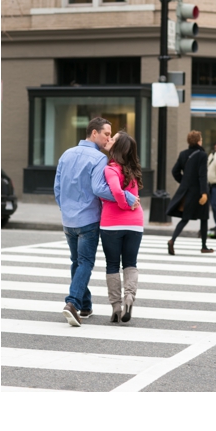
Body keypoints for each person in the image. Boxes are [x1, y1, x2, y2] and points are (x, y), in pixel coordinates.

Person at [54, 117, 139, 326]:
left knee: (77, 262)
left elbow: (57, 188)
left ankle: (85, 305)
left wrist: (65, 209)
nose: (108, 138)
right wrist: (128, 198)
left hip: (68, 220)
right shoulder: (99, 158)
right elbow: (99, 189)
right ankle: (72, 302)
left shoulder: (66, 154)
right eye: (106, 134)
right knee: (85, 262)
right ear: (94, 133)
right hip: (88, 220)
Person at [100, 131, 144, 323]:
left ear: (118, 147)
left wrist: (124, 204)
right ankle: (130, 297)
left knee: (112, 264)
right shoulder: (133, 170)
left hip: (112, 223)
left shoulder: (111, 169)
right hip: (135, 223)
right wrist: (130, 205)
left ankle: (116, 307)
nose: (110, 140)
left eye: (114, 139)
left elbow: (116, 191)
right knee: (130, 263)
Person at [167, 130, 213, 254]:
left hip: (187, 192)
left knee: (185, 218)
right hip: (199, 192)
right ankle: (204, 246)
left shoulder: (183, 154)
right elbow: (202, 175)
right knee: (204, 218)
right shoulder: (202, 155)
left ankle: (172, 240)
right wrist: (204, 192)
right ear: (199, 141)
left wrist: (184, 182)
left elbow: (174, 171)